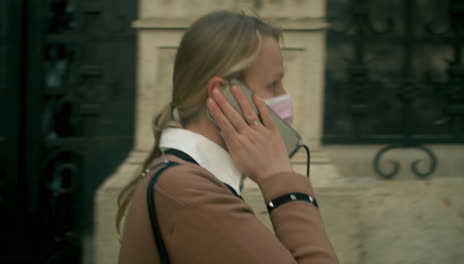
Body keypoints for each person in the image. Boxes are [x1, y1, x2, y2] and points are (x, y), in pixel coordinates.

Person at [117, 10, 338, 264]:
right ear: (222, 94)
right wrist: (279, 178)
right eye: (273, 85)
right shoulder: (187, 191)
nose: (284, 96)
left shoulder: (190, 182)